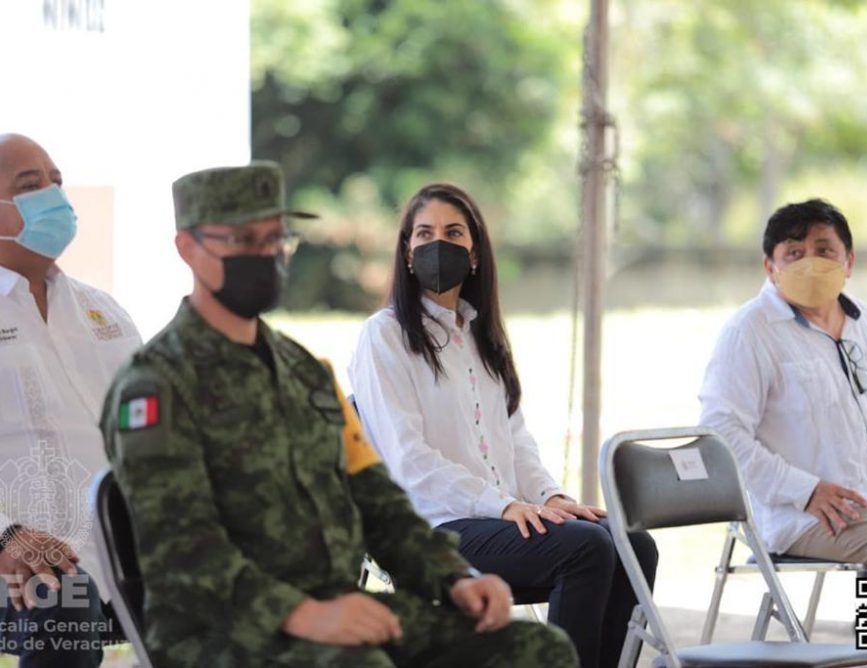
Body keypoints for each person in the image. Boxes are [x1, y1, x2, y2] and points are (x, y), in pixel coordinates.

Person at [100, 163, 578, 668]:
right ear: (188, 248)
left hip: (333, 608)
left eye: (274, 236)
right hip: (221, 633)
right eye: (243, 238)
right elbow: (183, 553)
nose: (265, 253)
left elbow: (377, 500)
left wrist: (456, 578)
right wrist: (305, 615)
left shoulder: (304, 372)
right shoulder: (156, 386)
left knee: (537, 649)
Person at [348, 182, 658, 668]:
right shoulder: (384, 336)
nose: (437, 245)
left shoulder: (483, 337)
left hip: (495, 517)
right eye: (424, 234)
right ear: (406, 253)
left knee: (633, 543)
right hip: (432, 524)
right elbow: (409, 460)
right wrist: (505, 504)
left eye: (453, 232)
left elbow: (516, 441)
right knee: (586, 550)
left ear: (474, 255)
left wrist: (550, 497)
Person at [0, 133, 141, 666]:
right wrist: (6, 538)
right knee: (62, 599)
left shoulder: (102, 311)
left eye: (56, 181)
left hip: (116, 544)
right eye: (30, 186)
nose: (53, 197)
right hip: (15, 555)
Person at [700, 198, 867, 569]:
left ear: (848, 261)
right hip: (807, 514)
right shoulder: (750, 331)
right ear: (770, 267)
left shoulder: (864, 320)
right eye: (794, 253)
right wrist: (805, 490)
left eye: (824, 250)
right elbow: (719, 433)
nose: (810, 263)